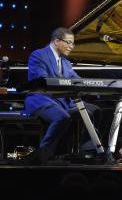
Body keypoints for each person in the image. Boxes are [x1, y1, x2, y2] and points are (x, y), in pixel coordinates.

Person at [21, 27, 103, 165]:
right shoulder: (38, 55)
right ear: (57, 41)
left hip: (63, 102)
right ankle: (43, 153)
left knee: (95, 111)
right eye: (69, 42)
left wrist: (95, 88)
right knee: (62, 117)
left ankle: (87, 150)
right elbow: (42, 81)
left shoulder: (65, 62)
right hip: (41, 99)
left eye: (73, 43)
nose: (71, 47)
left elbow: (77, 80)